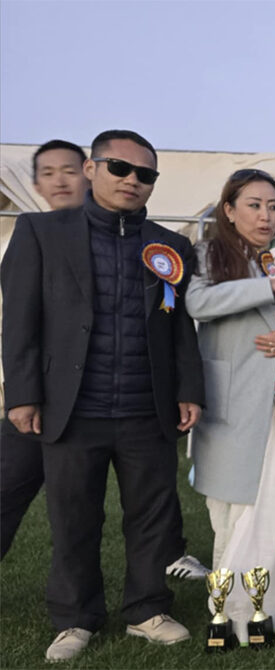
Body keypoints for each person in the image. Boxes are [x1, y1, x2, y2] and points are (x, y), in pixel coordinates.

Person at [2, 130, 202, 661]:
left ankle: (147, 610)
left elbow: (180, 327)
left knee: (151, 517)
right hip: (71, 408)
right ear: (91, 170)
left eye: (145, 174)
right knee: (74, 520)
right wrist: (22, 394)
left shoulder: (171, 246)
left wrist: (188, 389)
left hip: (147, 408)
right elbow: (18, 319)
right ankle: (75, 618)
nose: (132, 180)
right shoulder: (40, 231)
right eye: (120, 168)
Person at [186, 169, 275, 638]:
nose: (265, 215)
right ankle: (230, 604)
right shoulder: (209, 254)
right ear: (228, 210)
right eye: (253, 205)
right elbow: (197, 303)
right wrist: (266, 287)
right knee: (231, 504)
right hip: (233, 401)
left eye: (272, 206)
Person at [1, 139, 90, 559]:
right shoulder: (30, 232)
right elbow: (18, 323)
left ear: (89, 175)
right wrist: (22, 396)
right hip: (43, 398)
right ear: (36, 184)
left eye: (69, 170)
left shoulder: (118, 236)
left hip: (104, 402)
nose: (60, 181)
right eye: (48, 173)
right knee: (8, 488)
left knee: (80, 510)